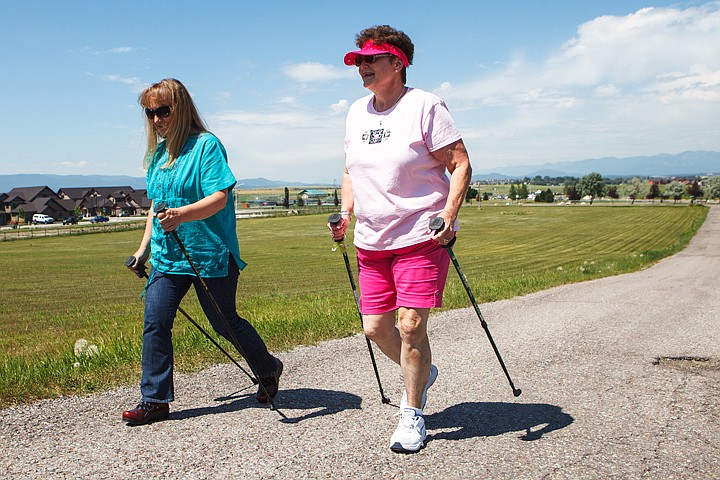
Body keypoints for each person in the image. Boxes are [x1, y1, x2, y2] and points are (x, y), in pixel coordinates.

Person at [330, 26, 472, 453]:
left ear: (398, 63)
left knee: (410, 325)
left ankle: (412, 415)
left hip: (419, 235)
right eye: (358, 61)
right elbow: (351, 169)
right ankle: (422, 371)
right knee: (375, 327)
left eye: (371, 59)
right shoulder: (356, 111)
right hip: (371, 241)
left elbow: (460, 164)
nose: (362, 67)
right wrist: (346, 211)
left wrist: (448, 216)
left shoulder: (426, 106)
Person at [123, 78, 283, 425]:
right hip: (169, 257)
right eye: (149, 112)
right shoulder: (158, 154)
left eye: (162, 110)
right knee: (155, 322)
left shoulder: (206, 146)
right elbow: (156, 207)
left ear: (180, 110)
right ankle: (154, 400)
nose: (155, 119)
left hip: (209, 253)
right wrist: (142, 251)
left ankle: (268, 368)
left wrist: (181, 215)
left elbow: (219, 197)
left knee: (225, 323)